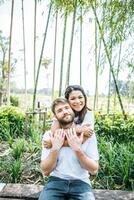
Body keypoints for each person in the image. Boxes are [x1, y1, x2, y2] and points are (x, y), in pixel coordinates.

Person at [39, 97, 99, 200]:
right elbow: (45, 171)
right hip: (55, 182)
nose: (65, 112)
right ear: (55, 117)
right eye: (60, 110)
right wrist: (55, 148)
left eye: (67, 108)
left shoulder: (87, 134)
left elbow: (94, 170)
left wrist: (77, 149)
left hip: (81, 183)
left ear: (73, 111)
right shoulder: (49, 136)